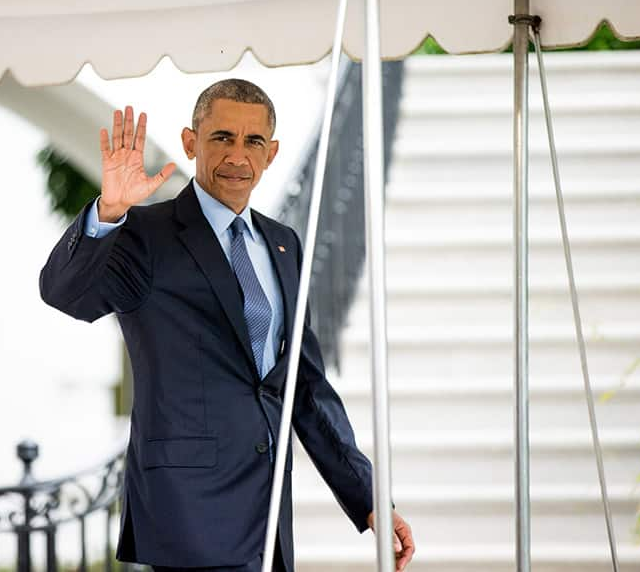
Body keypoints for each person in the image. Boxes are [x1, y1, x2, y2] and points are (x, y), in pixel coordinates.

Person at [39, 79, 415, 572]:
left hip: (267, 516)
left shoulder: (284, 244)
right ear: (192, 142)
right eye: (222, 138)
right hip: (187, 513)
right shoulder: (147, 235)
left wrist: (367, 497)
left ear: (271, 153)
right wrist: (109, 212)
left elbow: (303, 387)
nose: (237, 155)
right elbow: (65, 295)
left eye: (252, 141)